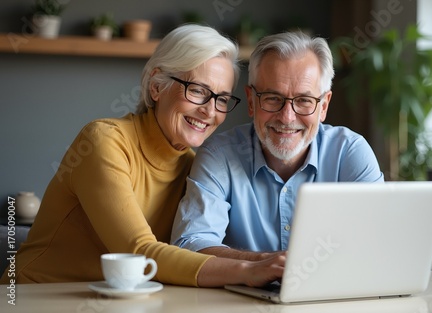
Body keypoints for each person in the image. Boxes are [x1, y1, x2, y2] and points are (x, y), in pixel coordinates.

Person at [0, 24, 284, 287]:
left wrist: (270, 262)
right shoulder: (105, 141)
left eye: (221, 99)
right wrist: (250, 269)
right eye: (197, 90)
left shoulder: (195, 166)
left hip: (116, 300)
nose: (209, 112)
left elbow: (200, 246)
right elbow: (138, 252)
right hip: (35, 295)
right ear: (156, 86)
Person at [171, 31, 384, 260]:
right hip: (241, 296)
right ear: (251, 101)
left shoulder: (350, 152)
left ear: (323, 106)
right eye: (273, 98)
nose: (287, 117)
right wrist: (262, 265)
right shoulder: (219, 155)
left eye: (304, 101)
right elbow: (191, 244)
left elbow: (380, 241)